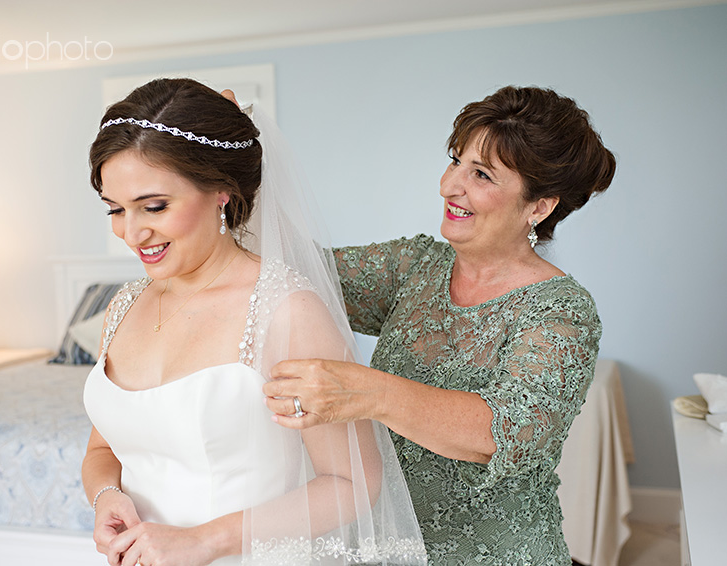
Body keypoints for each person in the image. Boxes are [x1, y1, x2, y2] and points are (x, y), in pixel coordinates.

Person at [80, 78, 427, 566]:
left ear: (221, 191)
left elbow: (352, 483)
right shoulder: (123, 306)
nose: (132, 232)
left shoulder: (286, 311)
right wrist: (106, 497)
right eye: (115, 209)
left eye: (154, 206)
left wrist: (206, 541)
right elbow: (103, 449)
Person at [263, 85, 616, 565]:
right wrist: (238, 167)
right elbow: (300, 270)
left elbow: (499, 433)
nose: (451, 185)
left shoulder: (561, 310)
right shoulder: (415, 265)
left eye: (482, 175)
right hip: (392, 546)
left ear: (539, 207)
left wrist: (367, 391)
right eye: (456, 161)